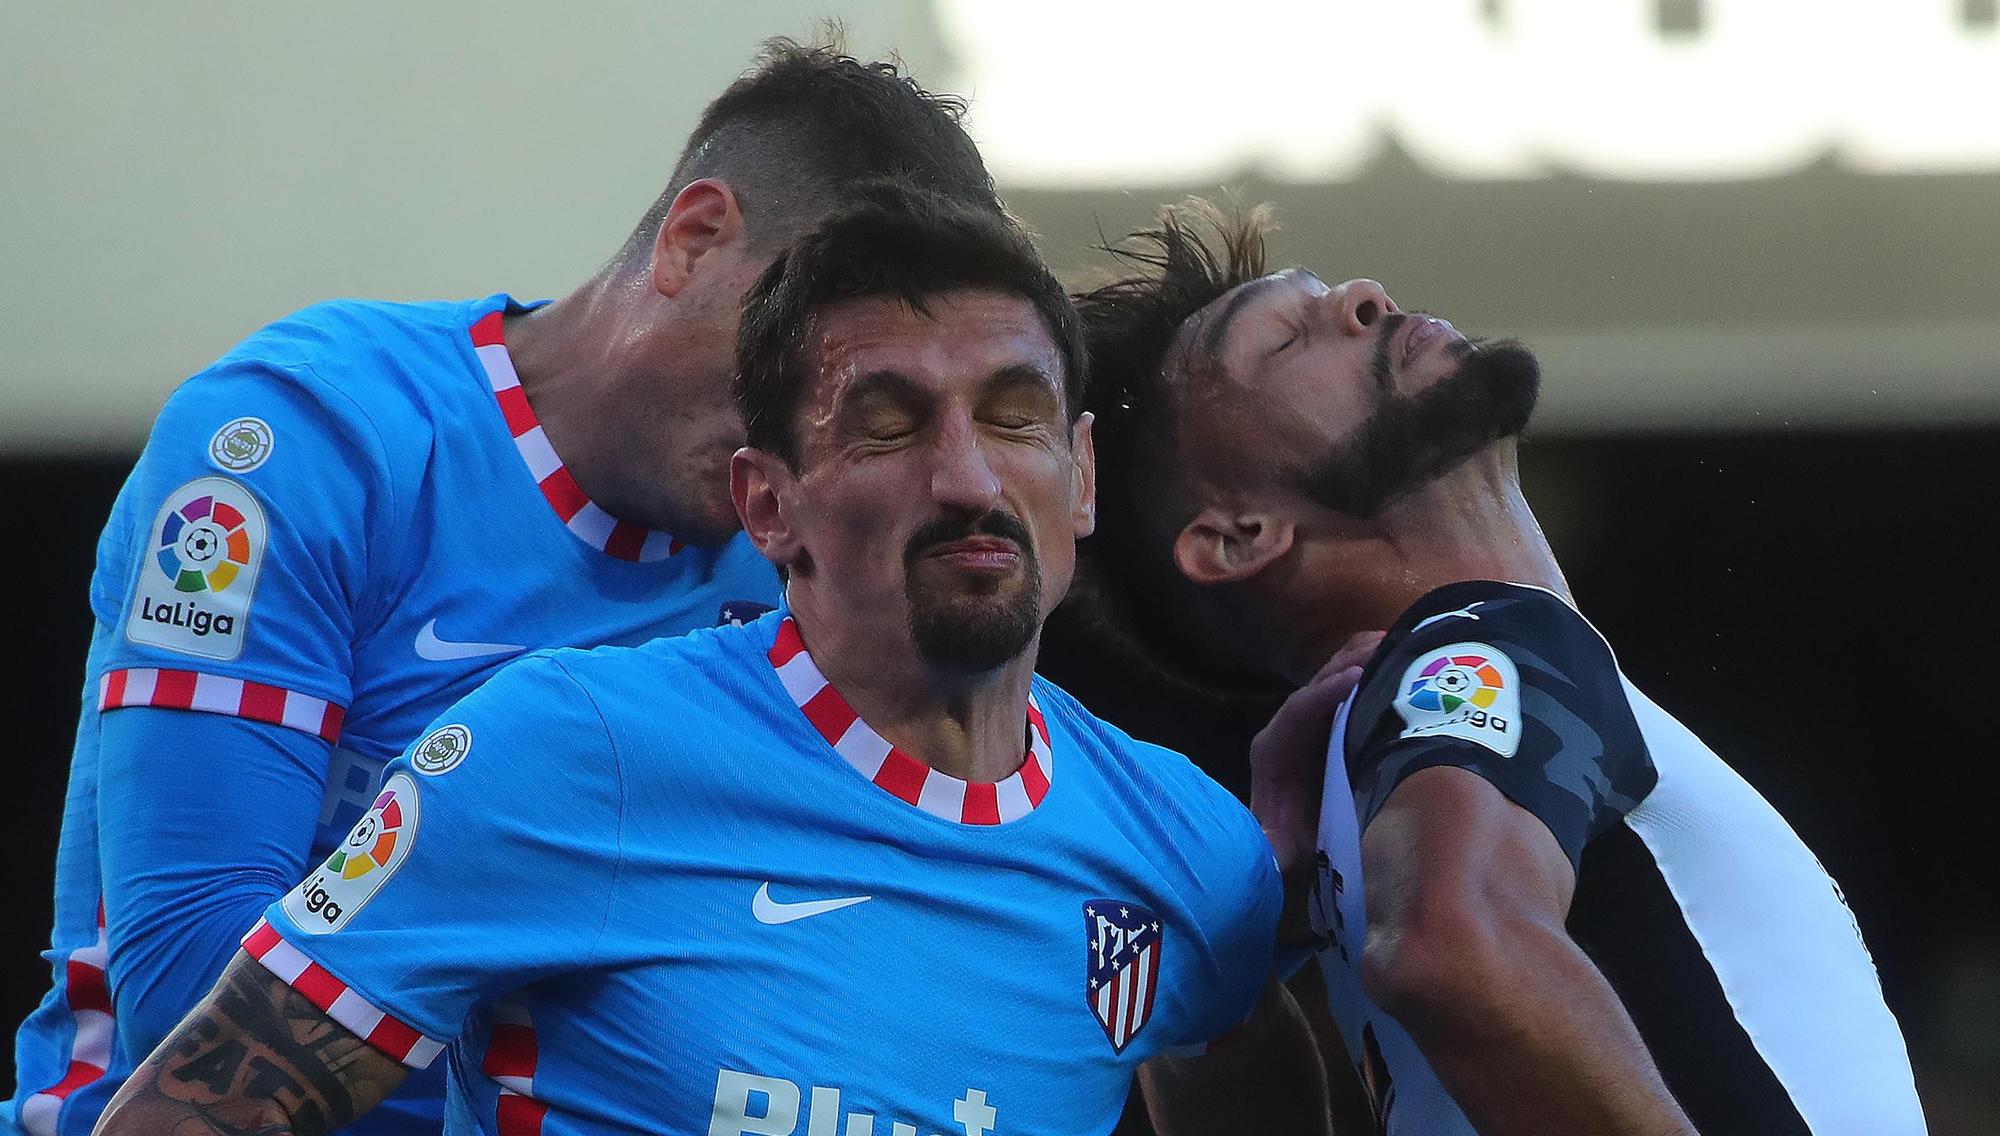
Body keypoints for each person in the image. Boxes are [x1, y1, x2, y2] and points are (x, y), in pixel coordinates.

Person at [90, 182, 1300, 1136]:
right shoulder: (568, 750)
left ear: (1079, 473)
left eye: (1010, 414)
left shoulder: (1187, 853)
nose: (969, 478)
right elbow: (181, 1111)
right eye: (886, 423)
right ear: (766, 506)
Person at [7, 40, 1006, 1136]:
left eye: (862, 402)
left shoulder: (810, 538)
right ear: (695, 236)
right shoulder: (304, 440)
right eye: (785, 353)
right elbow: (189, 987)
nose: (805, 432)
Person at [1071, 200, 1928, 1135]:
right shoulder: (1483, 645)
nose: (1364, 297)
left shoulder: (1367, 794)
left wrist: (1230, 940)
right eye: (1286, 340)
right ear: (1239, 536)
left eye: (1334, 295)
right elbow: (1448, 949)